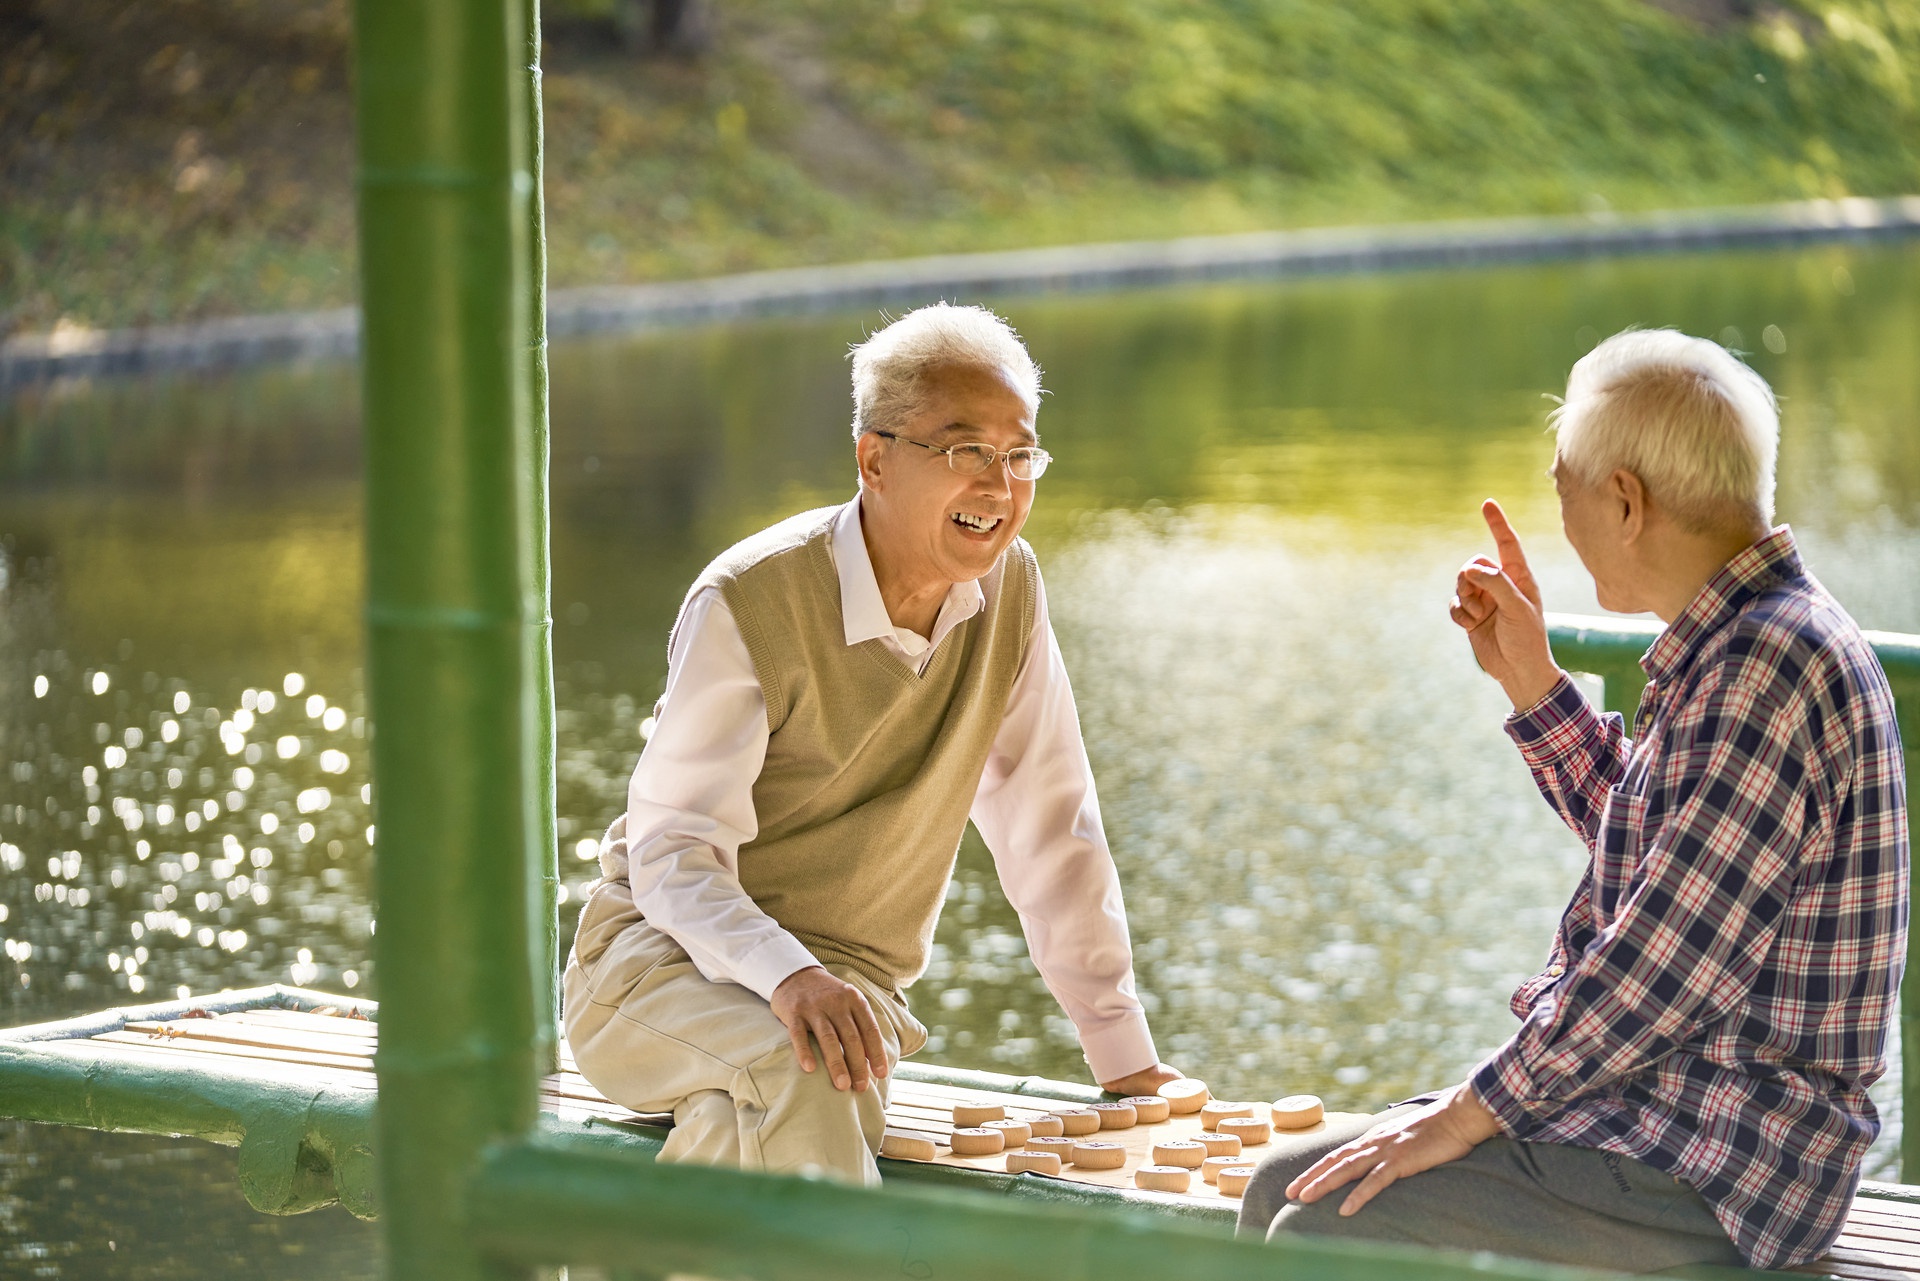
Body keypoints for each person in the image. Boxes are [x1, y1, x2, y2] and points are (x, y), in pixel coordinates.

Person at [1238, 329, 1908, 1272]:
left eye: (1564, 488)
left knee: (1325, 1228)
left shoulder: (1767, 664)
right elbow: (1662, 861)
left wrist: (1472, 1112)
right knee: (1283, 1185)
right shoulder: (1739, 641)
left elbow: (1662, 967)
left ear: (1626, 500)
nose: (1562, 516)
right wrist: (1534, 685)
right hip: (1654, 1121)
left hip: (1721, 1165)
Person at [563, 303, 1180, 1186]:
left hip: (849, 998)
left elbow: (1052, 827)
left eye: (1020, 455)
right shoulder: (749, 600)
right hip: (653, 972)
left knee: (763, 1101)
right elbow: (672, 855)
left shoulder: (1011, 591)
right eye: (967, 451)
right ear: (874, 459)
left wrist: (1122, 1054)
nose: (1000, 487)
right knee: (802, 1071)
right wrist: (789, 976)